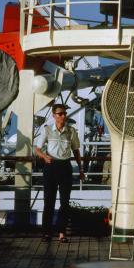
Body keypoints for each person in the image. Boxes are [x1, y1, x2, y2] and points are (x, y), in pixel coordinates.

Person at [35, 104, 85, 243]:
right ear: (54, 115)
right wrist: (44, 157)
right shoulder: (47, 130)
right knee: (48, 202)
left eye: (64, 113)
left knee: (64, 203)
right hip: (51, 167)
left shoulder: (71, 131)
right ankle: (46, 233)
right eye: (60, 114)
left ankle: (62, 233)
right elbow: (37, 149)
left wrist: (81, 169)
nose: (63, 116)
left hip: (65, 167)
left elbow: (76, 151)